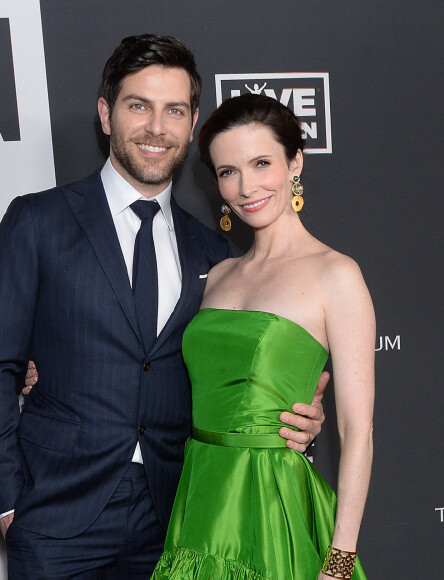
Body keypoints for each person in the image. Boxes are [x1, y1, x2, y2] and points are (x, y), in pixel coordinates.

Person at [0, 35, 326, 579]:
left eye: (174, 110)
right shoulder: (38, 223)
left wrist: (288, 415)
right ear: (106, 114)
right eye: (138, 106)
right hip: (56, 516)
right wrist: (8, 500)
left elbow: (233, 376)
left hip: (178, 519)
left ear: (192, 122)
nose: (157, 127)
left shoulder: (215, 252)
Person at [152, 93, 375, 580]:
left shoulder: (336, 275)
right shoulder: (216, 275)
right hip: (200, 504)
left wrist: (339, 561)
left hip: (272, 510)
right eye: (228, 171)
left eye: (261, 163)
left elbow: (356, 431)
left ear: (295, 162)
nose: (245, 186)